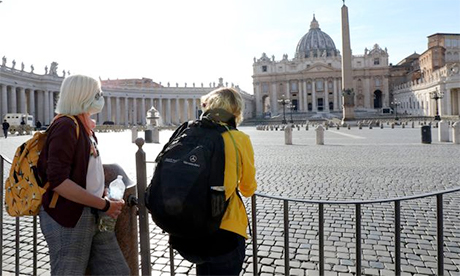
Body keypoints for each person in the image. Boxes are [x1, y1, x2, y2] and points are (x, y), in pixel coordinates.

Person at [37, 74, 130, 275]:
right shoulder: (65, 126)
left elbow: (85, 170)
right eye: (96, 93)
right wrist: (104, 205)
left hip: (93, 213)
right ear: (82, 95)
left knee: (117, 271)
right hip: (68, 217)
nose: (101, 97)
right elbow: (58, 181)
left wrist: (102, 192)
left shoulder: (84, 126)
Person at [169, 87, 257, 276]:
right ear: (236, 110)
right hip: (225, 229)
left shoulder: (190, 131)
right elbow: (248, 188)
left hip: (192, 228)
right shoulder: (239, 139)